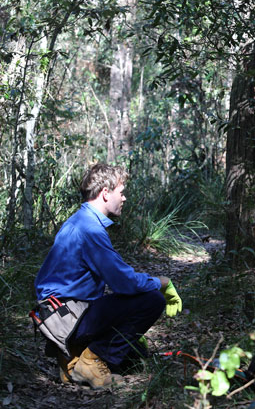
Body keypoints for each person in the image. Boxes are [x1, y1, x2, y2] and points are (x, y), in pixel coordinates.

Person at [34, 163, 183, 389]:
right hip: (66, 320)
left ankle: (72, 360)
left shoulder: (80, 221)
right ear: (105, 193)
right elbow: (123, 283)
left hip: (60, 317)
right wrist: (161, 283)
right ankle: (90, 363)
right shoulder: (89, 229)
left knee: (135, 353)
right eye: (121, 193)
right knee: (152, 300)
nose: (124, 199)